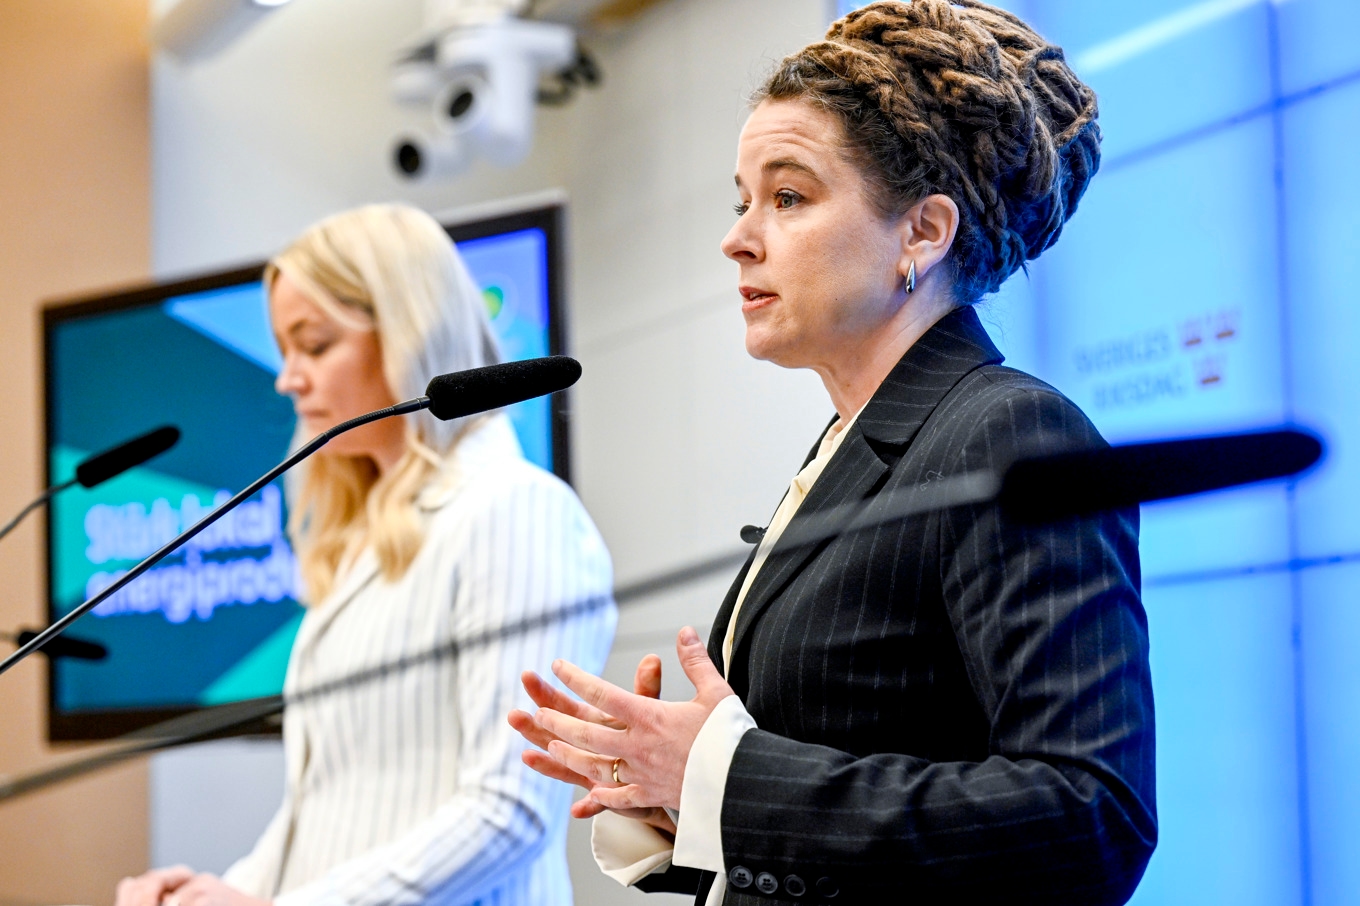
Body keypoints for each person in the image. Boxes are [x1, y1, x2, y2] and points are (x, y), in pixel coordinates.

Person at [509, 2, 1156, 904]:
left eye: (788, 196)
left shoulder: (1008, 436)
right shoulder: (852, 446)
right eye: (743, 200)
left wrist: (723, 781)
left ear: (923, 234)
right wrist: (675, 802)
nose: (737, 236)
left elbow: (1088, 817)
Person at [115, 204, 616, 906]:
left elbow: (510, 811)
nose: (287, 379)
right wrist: (216, 894)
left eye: (313, 345)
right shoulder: (372, 536)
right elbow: (326, 808)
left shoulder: (513, 509)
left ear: (411, 333)